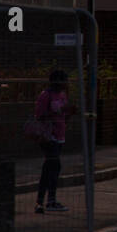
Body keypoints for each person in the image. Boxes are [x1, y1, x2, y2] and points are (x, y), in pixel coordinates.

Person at [35, 69, 75, 214]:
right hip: (48, 136)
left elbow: (65, 116)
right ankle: (47, 200)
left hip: (59, 135)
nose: (66, 84)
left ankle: (43, 201)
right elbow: (39, 115)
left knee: (50, 168)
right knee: (53, 166)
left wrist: (68, 112)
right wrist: (57, 112)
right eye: (64, 81)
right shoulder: (46, 95)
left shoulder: (62, 95)